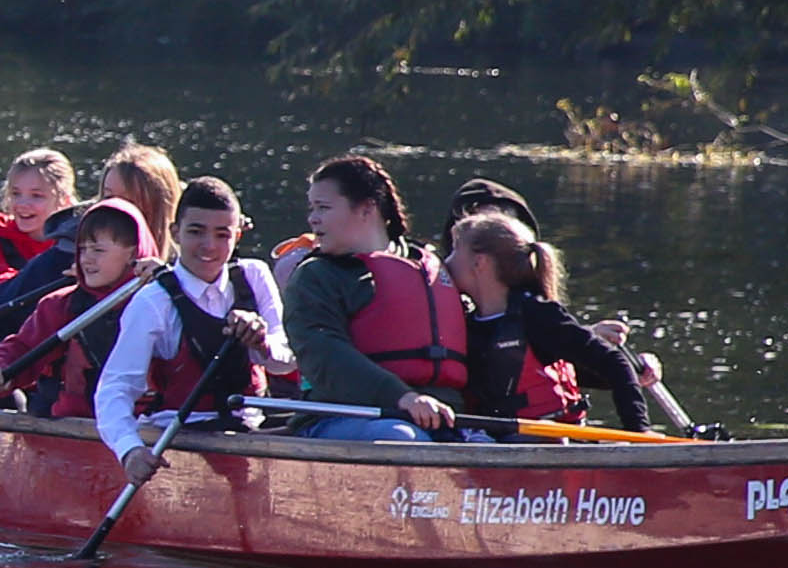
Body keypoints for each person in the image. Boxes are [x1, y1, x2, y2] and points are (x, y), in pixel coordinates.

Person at [93, 179, 300, 474]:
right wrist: (130, 450)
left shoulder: (254, 275)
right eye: (196, 232)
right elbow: (114, 390)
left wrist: (261, 342)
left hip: (247, 433)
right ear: (175, 232)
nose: (209, 246)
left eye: (222, 234)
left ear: (237, 235)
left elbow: (285, 361)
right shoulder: (152, 302)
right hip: (180, 440)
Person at [444, 210, 690, 433]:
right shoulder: (467, 322)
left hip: (541, 442)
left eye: (455, 250)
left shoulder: (538, 315)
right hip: (491, 441)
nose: (446, 261)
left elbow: (614, 362)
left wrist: (639, 431)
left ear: (480, 262)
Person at [0, 142, 186, 362]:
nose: (115, 208)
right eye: (109, 196)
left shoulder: (183, 265)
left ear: (159, 206)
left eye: (129, 200)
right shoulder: (67, 255)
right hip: (68, 395)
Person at [285, 154, 466, 437]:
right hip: (343, 417)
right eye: (312, 208)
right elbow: (325, 356)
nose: (312, 219)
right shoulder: (316, 276)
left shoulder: (426, 264)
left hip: (442, 418)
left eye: (323, 207)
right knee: (401, 437)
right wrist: (403, 397)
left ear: (367, 208)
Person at [0, 198, 154, 422]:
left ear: (134, 253)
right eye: (83, 249)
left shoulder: (159, 305)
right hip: (75, 427)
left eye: (98, 250)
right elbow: (22, 346)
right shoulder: (60, 304)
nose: (87, 259)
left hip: (142, 428)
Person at [0, 149, 77, 299]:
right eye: (15, 194)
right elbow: (0, 299)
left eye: (36, 196)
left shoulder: (83, 245)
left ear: (64, 199)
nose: (23, 204)